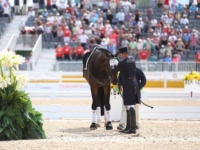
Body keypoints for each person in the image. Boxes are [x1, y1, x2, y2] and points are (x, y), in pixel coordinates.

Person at [112, 47, 140, 134]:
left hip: (128, 85)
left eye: (121, 54)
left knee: (130, 106)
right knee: (128, 106)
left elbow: (114, 71)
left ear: (124, 54)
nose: (120, 55)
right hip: (133, 83)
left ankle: (132, 128)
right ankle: (128, 127)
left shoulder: (123, 62)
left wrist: (111, 66)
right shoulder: (132, 61)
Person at [117, 64, 146, 131]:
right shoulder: (123, 71)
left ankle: (136, 124)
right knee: (125, 108)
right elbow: (119, 80)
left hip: (135, 93)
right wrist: (120, 85)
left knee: (136, 109)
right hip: (126, 92)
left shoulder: (138, 70)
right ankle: (122, 124)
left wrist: (139, 87)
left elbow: (144, 79)